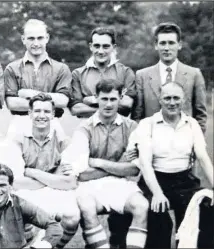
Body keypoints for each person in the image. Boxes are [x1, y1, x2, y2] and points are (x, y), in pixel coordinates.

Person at [67, 79, 149, 248]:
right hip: (89, 186)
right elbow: (82, 174)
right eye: (104, 99)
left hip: (122, 184)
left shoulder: (132, 127)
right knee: (87, 207)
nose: (108, 104)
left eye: (113, 99)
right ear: (96, 98)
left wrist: (97, 162)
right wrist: (119, 166)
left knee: (142, 206)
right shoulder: (83, 128)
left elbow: (134, 170)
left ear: (121, 99)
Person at [131, 82, 214, 248]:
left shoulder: (191, 124)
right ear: (160, 100)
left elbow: (203, 157)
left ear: (183, 100)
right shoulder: (148, 124)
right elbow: (145, 164)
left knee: (205, 206)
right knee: (158, 215)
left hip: (184, 181)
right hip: (155, 180)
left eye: (176, 98)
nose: (172, 102)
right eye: (167, 98)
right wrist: (157, 193)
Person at [0, 93, 80, 248]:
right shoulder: (16, 140)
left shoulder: (63, 141)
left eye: (47, 112)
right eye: (37, 111)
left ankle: (53, 246)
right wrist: (54, 177)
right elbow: (15, 182)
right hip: (28, 192)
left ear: (53, 114)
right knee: (18, 221)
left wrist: (31, 172)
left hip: (55, 190)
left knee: (72, 217)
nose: (42, 116)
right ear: (29, 113)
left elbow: (70, 182)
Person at [132, 22, 208, 132]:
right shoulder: (142, 76)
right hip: (152, 143)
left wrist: (196, 144)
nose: (166, 48)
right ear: (156, 45)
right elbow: (137, 116)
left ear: (179, 45)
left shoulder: (194, 74)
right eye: (162, 43)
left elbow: (201, 115)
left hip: (184, 143)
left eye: (171, 43)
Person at [0, 164, 63, 249]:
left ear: (10, 186)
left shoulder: (20, 204)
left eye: (2, 185)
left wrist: (42, 245)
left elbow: (53, 225)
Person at [3, 19, 70, 136]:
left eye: (40, 38)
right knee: (12, 153)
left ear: (47, 38)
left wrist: (28, 93)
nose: (36, 43)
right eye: (31, 38)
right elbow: (12, 103)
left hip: (52, 122)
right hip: (20, 122)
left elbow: (63, 100)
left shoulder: (61, 68)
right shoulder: (12, 68)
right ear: (23, 39)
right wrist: (49, 100)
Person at [70, 27, 136, 119]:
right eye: (97, 46)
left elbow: (127, 103)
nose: (101, 51)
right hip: (88, 128)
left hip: (118, 128)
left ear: (113, 47)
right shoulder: (77, 74)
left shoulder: (126, 72)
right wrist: (113, 103)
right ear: (91, 46)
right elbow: (76, 109)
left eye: (105, 46)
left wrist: (89, 100)